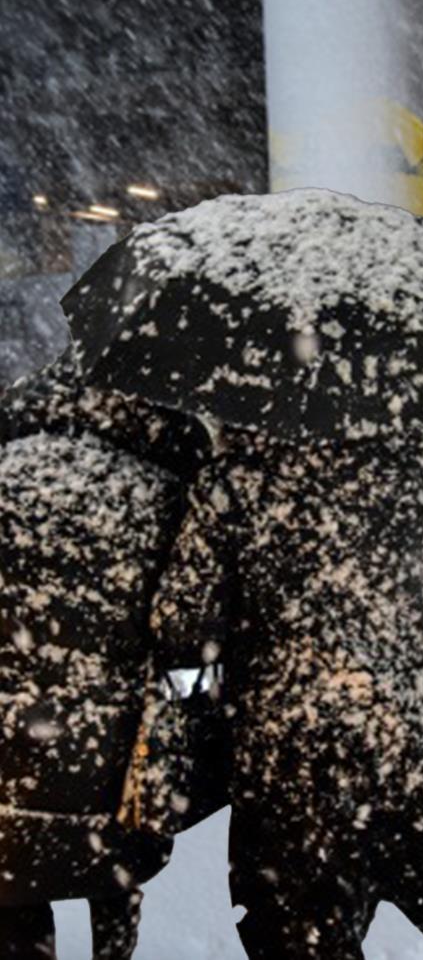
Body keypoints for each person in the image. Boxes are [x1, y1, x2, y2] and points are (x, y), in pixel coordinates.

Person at [150, 427, 423, 959]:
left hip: (300, 737)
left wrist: (203, 691)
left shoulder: (238, 477)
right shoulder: (412, 459)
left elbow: (184, 620)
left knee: (297, 927)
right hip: (414, 725)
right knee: (350, 903)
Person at [0, 353, 211, 960]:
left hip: (11, 752)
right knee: (113, 872)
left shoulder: (9, 458)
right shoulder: (168, 488)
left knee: (13, 893)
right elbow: (189, 628)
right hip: (116, 750)